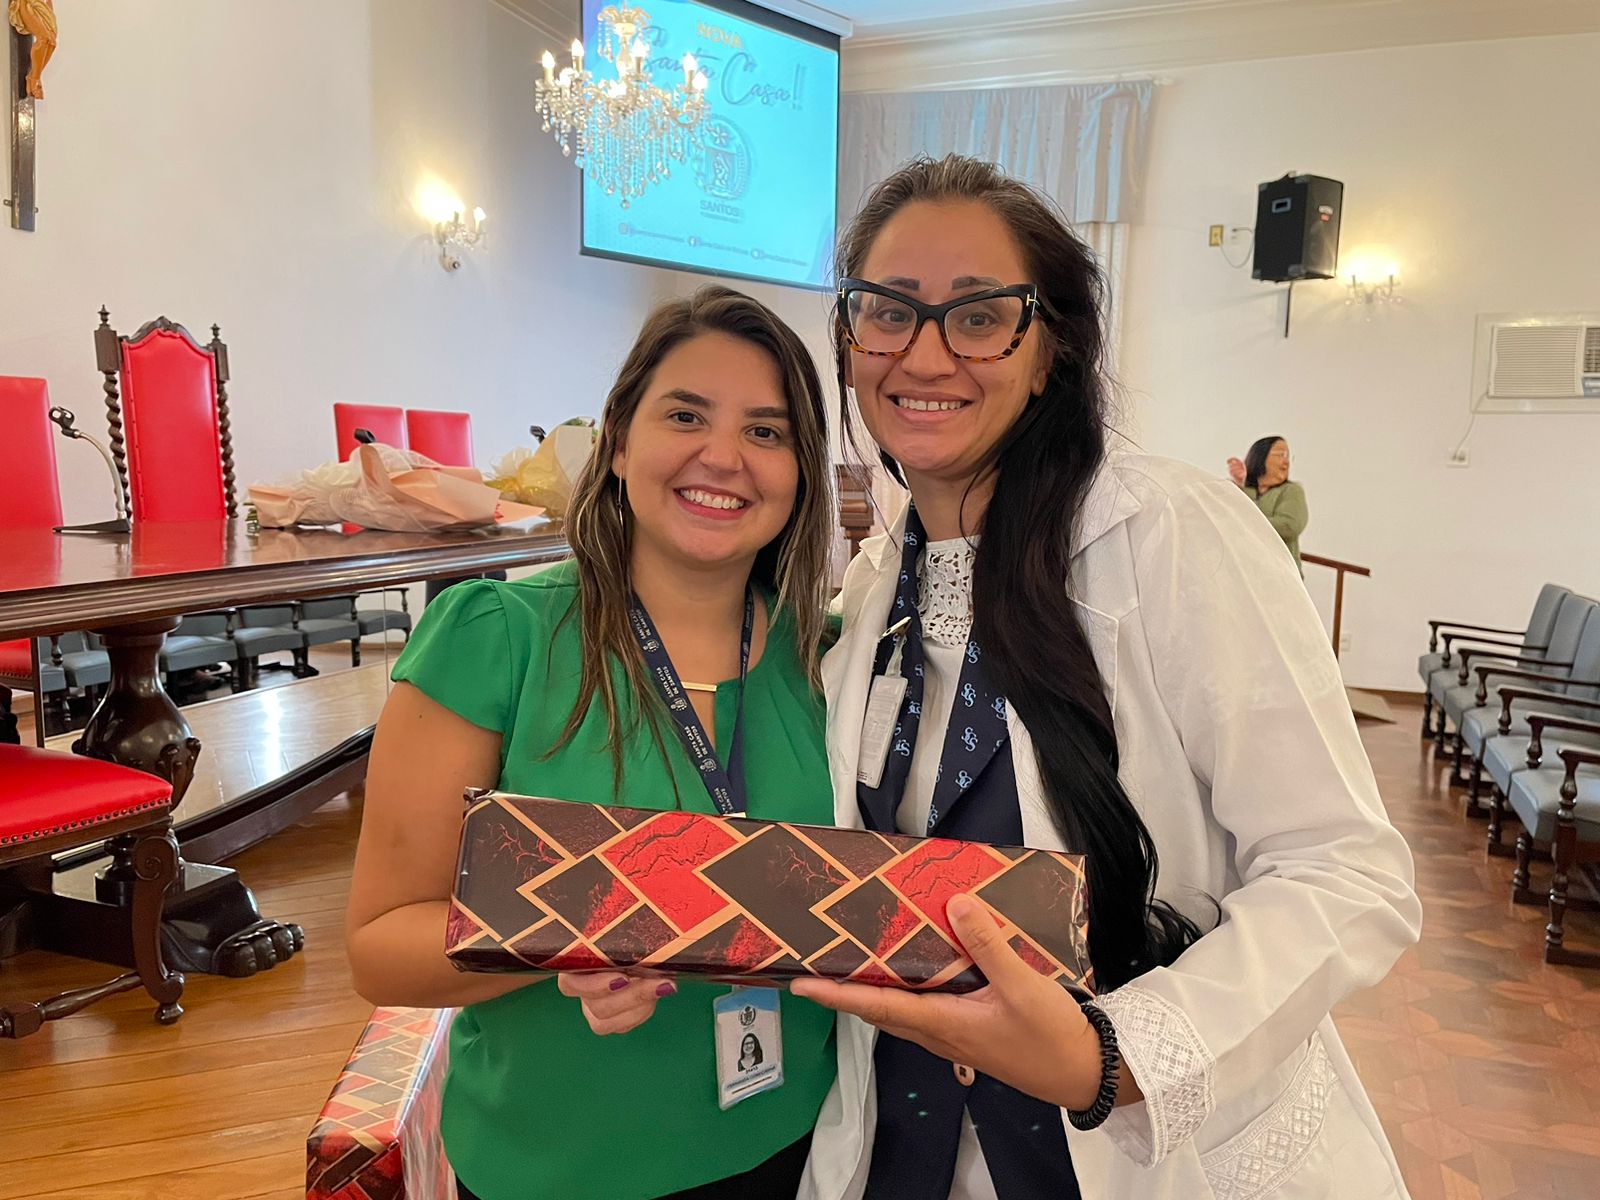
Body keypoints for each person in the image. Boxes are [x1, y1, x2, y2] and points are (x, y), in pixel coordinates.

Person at [791, 155, 1420, 1200]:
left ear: (1052, 352)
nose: (924, 353)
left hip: (1155, 1151)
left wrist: (1116, 1059)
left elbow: (1346, 872)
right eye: (887, 311)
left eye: (980, 317)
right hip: (915, 1150)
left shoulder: (1167, 533)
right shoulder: (875, 581)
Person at [346, 286, 839, 1200]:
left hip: (801, 1144)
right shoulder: (499, 639)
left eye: (766, 431)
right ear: (617, 443)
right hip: (558, 1167)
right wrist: (567, 940)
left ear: (802, 472)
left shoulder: (830, 661)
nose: (723, 455)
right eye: (685, 415)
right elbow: (380, 944)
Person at [1227, 435, 1307, 571]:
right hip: (1243, 568)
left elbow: (1289, 526)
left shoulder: (1291, 490)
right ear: (1260, 457)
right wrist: (1241, 485)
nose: (1286, 462)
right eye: (1281, 455)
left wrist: (1243, 521)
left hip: (1279, 572)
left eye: (1288, 456)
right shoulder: (1241, 489)